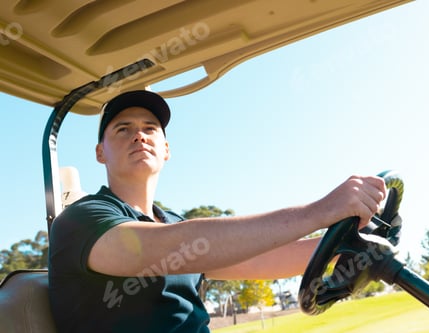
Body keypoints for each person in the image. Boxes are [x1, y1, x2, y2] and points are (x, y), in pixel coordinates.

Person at [48, 90, 388, 333]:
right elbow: (172, 245)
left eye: (150, 128)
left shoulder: (171, 221)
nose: (139, 135)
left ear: (166, 149)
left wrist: (352, 242)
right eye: (123, 129)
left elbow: (256, 259)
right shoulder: (82, 218)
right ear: (100, 152)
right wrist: (321, 211)